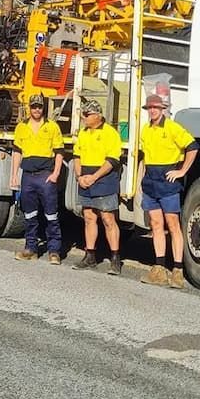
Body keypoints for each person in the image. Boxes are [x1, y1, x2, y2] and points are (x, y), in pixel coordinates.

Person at [138, 83, 198, 288]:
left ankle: (178, 270)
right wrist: (141, 180)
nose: (153, 111)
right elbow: (145, 157)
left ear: (162, 109)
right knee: (156, 225)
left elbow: (192, 147)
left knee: (173, 224)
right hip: (150, 180)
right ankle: (159, 267)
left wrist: (182, 171)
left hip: (168, 179)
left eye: (156, 107)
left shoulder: (172, 127)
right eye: (150, 108)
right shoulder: (146, 130)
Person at [10, 94, 64, 264]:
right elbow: (17, 152)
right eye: (33, 106)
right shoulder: (21, 127)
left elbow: (59, 152)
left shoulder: (52, 127)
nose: (36, 110)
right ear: (29, 108)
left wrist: (55, 174)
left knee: (51, 215)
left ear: (43, 108)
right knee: (29, 214)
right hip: (28, 176)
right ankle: (31, 248)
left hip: (45, 176)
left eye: (39, 107)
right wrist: (14, 175)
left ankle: (54, 251)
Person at [73, 100, 124, 275]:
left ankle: (115, 258)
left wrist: (94, 177)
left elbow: (112, 160)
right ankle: (90, 256)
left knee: (108, 218)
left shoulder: (110, 133)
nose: (84, 118)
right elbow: (77, 156)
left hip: (104, 178)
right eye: (83, 115)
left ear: (97, 115)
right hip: (85, 178)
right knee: (88, 217)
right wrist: (79, 177)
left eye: (87, 115)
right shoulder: (83, 133)